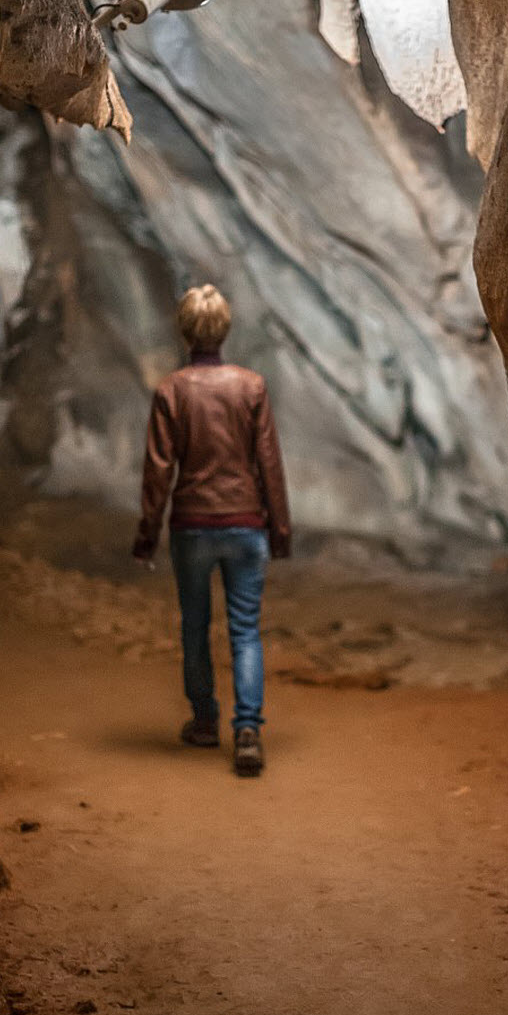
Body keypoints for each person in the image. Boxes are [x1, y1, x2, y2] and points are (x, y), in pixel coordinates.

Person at [132, 284, 291, 776]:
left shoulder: (171, 391)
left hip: (191, 527)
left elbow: (159, 471)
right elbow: (269, 464)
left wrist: (147, 534)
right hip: (246, 525)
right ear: (224, 330)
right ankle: (247, 731)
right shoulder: (252, 387)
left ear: (185, 331)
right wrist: (280, 528)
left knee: (195, 627)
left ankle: (204, 722)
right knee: (245, 630)